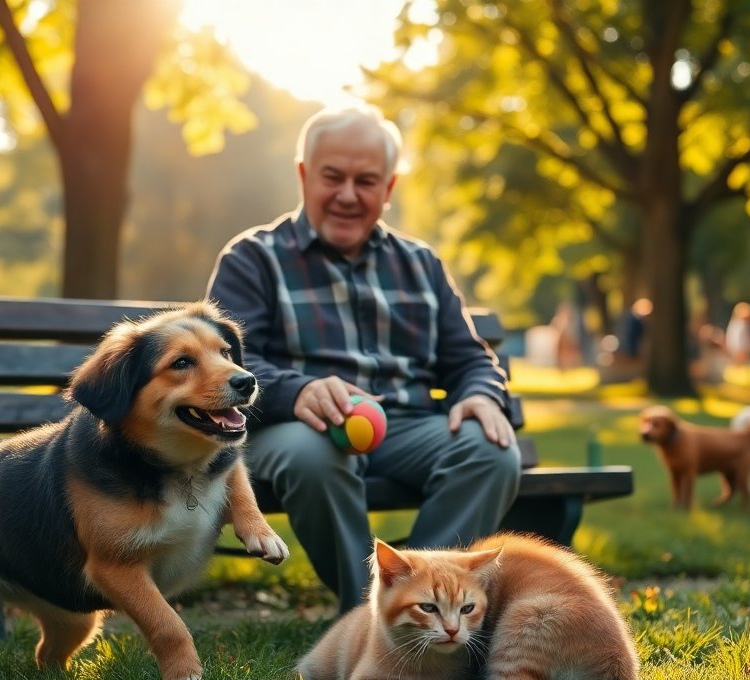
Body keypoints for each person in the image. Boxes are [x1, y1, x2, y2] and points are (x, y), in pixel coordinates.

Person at [206, 103, 521, 615]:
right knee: (313, 456)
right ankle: (366, 618)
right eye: (333, 177)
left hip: (406, 425)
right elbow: (228, 361)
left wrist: (482, 394)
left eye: (366, 181)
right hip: (300, 427)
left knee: (491, 452)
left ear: (388, 188)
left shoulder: (420, 264)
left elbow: (468, 358)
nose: (348, 194)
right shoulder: (253, 258)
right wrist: (299, 389)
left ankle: (420, 601)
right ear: (304, 175)